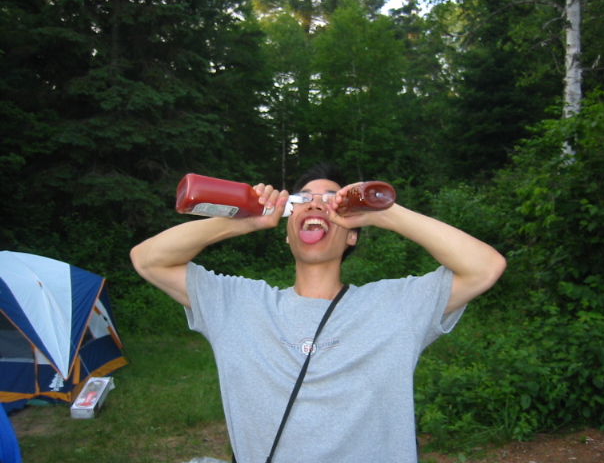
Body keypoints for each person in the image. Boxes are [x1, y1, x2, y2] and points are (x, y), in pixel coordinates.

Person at [130, 162, 506, 463]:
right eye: (303, 199)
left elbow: (484, 267)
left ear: (352, 232)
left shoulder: (397, 306)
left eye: (330, 200)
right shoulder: (238, 303)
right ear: (287, 231)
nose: (315, 205)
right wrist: (240, 220)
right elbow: (148, 259)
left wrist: (384, 213)